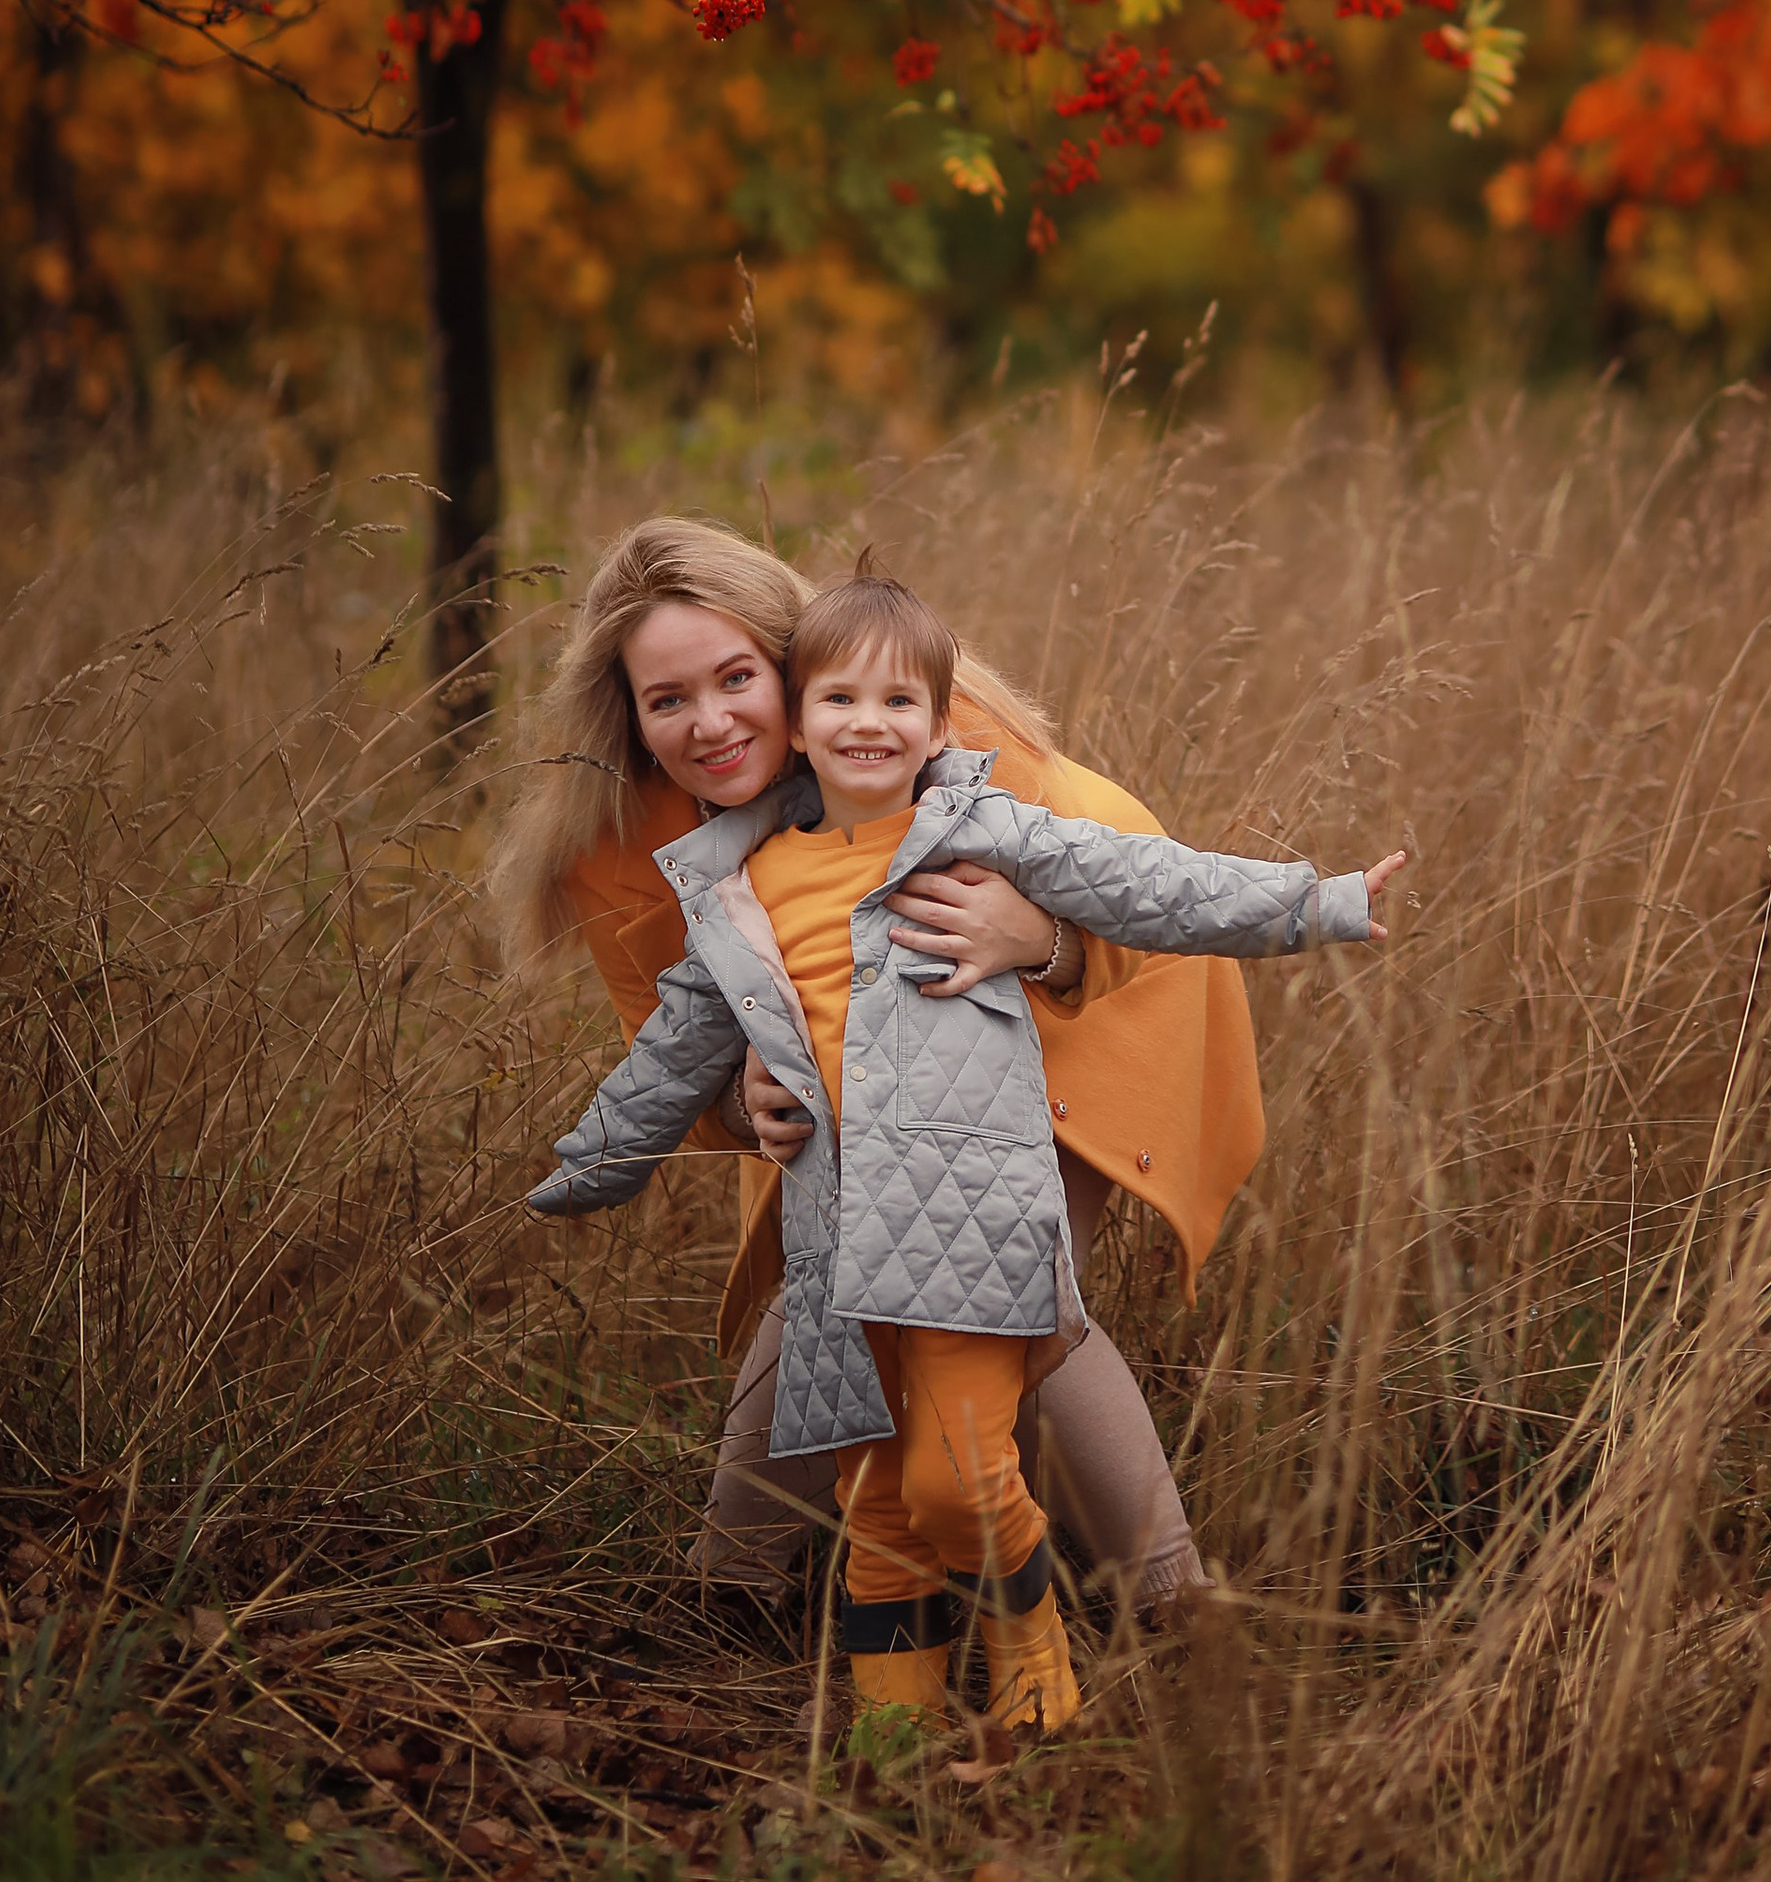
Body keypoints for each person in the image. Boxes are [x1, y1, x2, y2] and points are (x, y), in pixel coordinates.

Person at [526, 558, 1403, 1753]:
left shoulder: (927, 742)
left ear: (797, 668)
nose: (713, 721)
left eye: (739, 678)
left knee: (1004, 1289)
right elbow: (674, 1055)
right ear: (624, 713)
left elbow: (1145, 892)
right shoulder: (633, 849)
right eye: (667, 698)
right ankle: (749, 1596)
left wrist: (1037, 937)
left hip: (1087, 1001)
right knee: (841, 1301)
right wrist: (745, 1094)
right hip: (864, 1090)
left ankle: (1173, 1603)